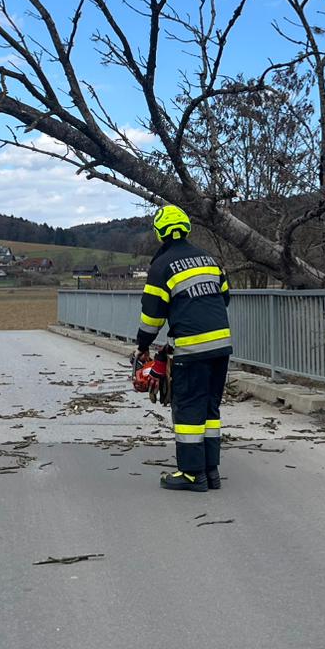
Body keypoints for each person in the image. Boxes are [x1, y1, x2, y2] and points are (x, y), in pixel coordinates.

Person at [135, 204, 232, 492]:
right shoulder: (209, 260)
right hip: (221, 345)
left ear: (159, 233)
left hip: (191, 350)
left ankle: (192, 474)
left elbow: (152, 316)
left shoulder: (161, 266)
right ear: (187, 229)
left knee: (189, 408)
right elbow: (224, 298)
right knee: (210, 409)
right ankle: (211, 471)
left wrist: (143, 347)